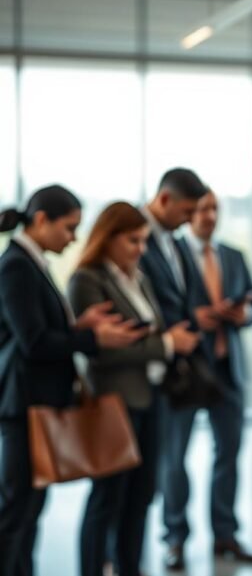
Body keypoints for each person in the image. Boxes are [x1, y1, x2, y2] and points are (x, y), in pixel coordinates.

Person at [0, 186, 142, 576]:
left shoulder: (33, 262)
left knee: (28, 512)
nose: (74, 238)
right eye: (69, 228)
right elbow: (34, 343)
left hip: (36, 402)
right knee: (16, 513)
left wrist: (78, 327)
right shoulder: (16, 264)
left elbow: (35, 331)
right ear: (41, 220)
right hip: (23, 404)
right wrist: (92, 338)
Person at [69, 202, 200, 576]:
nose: (140, 249)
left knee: (141, 497)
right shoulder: (88, 280)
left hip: (151, 397)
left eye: (143, 241)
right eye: (132, 241)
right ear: (107, 238)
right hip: (114, 402)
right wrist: (167, 345)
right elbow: (104, 349)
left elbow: (142, 334)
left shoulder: (138, 278)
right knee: (108, 498)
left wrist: (161, 342)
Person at [163, 189, 252, 567]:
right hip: (187, 370)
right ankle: (175, 537)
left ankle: (225, 535)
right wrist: (196, 319)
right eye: (202, 209)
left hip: (227, 368)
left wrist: (244, 315)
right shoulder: (172, 255)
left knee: (229, 455)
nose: (209, 216)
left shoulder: (233, 256)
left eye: (215, 209)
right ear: (190, 213)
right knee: (175, 458)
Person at [135, 167, 208, 571]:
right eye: (186, 210)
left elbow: (186, 296)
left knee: (169, 460)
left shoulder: (175, 244)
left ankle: (168, 538)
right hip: (143, 369)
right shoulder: (134, 235)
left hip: (175, 370)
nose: (190, 219)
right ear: (164, 200)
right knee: (138, 475)